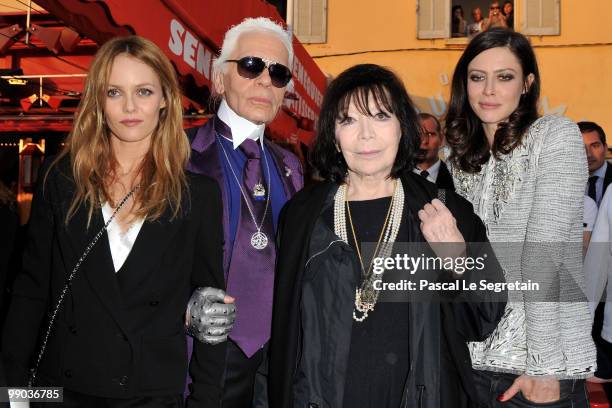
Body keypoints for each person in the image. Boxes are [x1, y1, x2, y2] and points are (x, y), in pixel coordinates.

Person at [1, 35, 225, 407]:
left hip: (149, 394)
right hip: (59, 390)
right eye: (115, 92)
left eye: (144, 91)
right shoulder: (62, 180)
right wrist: (13, 392)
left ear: (165, 100)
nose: (130, 106)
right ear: (98, 102)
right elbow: (32, 288)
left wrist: (204, 399)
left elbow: (211, 307)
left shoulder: (197, 195)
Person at [267, 63, 506, 408]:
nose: (365, 135)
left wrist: (457, 258)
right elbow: (283, 334)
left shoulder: (446, 210)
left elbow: (483, 320)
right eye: (347, 120)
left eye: (380, 116)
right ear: (333, 134)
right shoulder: (302, 216)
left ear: (402, 128)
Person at [445, 28, 596, 406]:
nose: (489, 90)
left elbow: (545, 256)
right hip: (471, 362)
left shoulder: (555, 136)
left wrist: (543, 367)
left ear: (527, 83)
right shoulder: (460, 159)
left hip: (538, 368)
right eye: (477, 78)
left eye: (505, 77)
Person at [185, 17, 303, 407]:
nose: (265, 80)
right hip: (194, 359)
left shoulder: (292, 167)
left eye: (279, 72)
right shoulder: (176, 154)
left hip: (274, 367)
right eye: (251, 65)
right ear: (220, 79)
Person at [414, 113, 454, 190]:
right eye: (417, 134)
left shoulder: (455, 179)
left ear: (441, 139)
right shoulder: (395, 177)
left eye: (430, 134)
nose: (424, 141)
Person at [580, 121, 611, 207]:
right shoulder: (562, 183)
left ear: (605, 149)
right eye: (581, 147)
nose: (588, 154)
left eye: (595, 146)